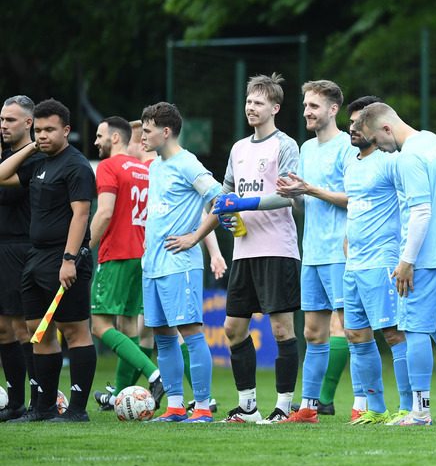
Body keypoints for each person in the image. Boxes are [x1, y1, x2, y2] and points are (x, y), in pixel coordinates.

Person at [356, 102, 436, 426]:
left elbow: (421, 211)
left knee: (415, 328)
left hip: (425, 258)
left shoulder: (408, 157)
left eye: (377, 142)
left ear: (386, 129)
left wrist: (407, 262)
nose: (379, 149)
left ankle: (420, 411)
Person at [204, 74, 302, 424]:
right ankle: (247, 406)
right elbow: (226, 195)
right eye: (248, 101)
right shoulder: (238, 149)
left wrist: (243, 202)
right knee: (232, 328)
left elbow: (291, 195)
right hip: (244, 251)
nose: (251, 107)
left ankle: (284, 407)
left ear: (275, 107)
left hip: (278, 248)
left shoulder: (286, 145)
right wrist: (227, 213)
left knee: (281, 329)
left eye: (259, 102)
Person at [0, 99, 96, 423]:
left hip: (64, 258)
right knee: (38, 332)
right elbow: (1, 175)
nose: (43, 135)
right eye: (38, 129)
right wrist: (30, 148)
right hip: (35, 258)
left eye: (49, 130)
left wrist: (69, 260)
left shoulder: (77, 165)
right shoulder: (39, 163)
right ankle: (44, 408)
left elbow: (81, 215)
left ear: (66, 130)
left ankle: (78, 411)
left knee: (75, 332)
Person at [123, 120, 226, 413]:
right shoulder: (155, 166)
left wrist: (195, 237)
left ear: (166, 132)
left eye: (147, 131)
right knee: (163, 336)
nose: (142, 137)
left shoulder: (188, 163)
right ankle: (176, 407)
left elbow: (221, 200)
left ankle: (203, 408)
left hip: (180, 266)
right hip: (153, 266)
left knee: (191, 333)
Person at [275, 80, 357, 424]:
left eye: (314, 106)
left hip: (341, 251)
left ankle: (360, 404)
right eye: (305, 105)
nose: (307, 112)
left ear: (333, 109)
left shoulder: (347, 147)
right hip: (312, 253)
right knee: (312, 331)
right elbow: (307, 204)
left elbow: (354, 198)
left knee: (348, 329)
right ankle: (308, 408)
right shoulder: (306, 149)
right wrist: (294, 194)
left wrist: (309, 188)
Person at [341, 96, 412, 425]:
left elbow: (411, 205)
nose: (353, 128)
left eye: (359, 123)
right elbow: (355, 206)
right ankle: (376, 408)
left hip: (382, 262)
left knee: (395, 334)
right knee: (356, 335)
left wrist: (405, 254)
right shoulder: (350, 163)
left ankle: (411, 407)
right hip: (353, 264)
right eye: (352, 123)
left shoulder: (392, 161)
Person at [88, 116, 165, 411]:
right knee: (129, 324)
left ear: (115, 138)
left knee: (100, 326)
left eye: (99, 135)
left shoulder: (109, 166)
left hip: (116, 254)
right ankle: (121, 394)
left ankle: (154, 375)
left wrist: (83, 248)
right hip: (141, 255)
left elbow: (104, 213)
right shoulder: (144, 170)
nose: (96, 141)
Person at [0, 95, 43, 421]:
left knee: (24, 326)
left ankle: (36, 400)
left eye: (10, 120)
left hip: (20, 248)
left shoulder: (33, 159)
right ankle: (14, 403)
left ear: (28, 123)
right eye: (1, 120)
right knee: (2, 329)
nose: (3, 125)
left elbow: (6, 191)